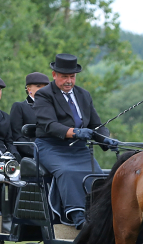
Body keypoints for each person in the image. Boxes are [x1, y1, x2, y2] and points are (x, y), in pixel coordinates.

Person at [33, 53, 118, 228]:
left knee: (98, 175)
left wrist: (105, 139)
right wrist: (75, 132)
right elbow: (49, 125)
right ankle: (77, 216)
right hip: (51, 147)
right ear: (54, 75)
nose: (69, 81)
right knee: (67, 172)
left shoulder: (84, 95)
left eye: (72, 77)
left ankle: (100, 215)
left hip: (78, 149)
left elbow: (96, 124)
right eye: (64, 77)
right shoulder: (44, 95)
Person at [9, 72, 51, 158]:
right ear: (29, 89)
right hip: (31, 153)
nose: (43, 90)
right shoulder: (20, 107)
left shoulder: (52, 107)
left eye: (45, 87)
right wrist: (36, 152)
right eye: (39, 86)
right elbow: (17, 136)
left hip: (51, 150)